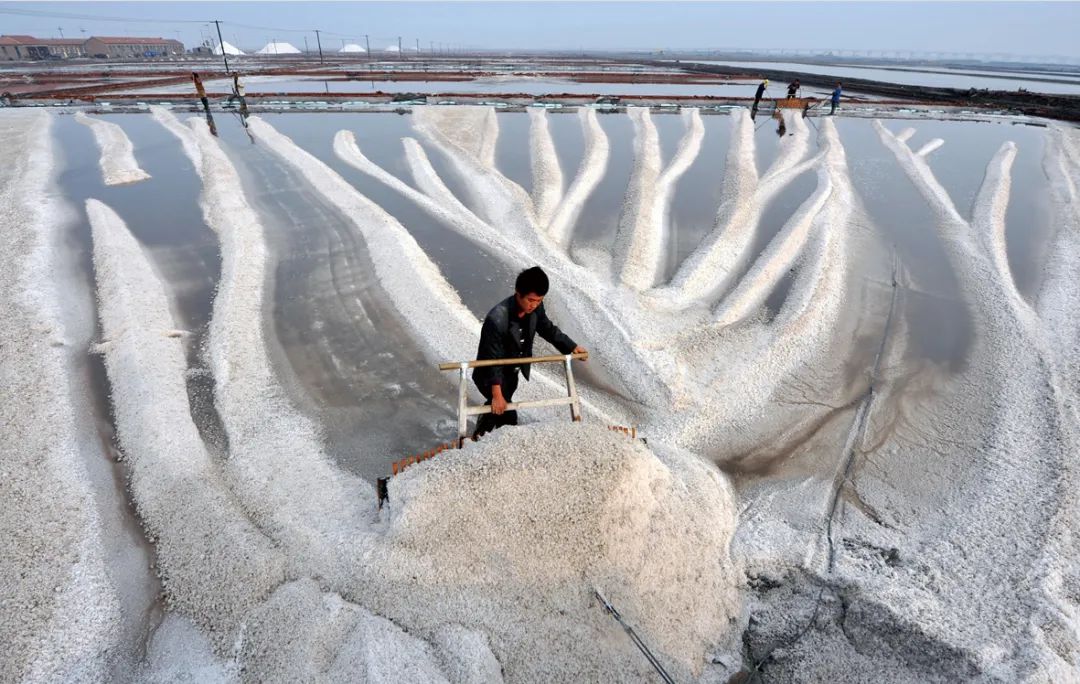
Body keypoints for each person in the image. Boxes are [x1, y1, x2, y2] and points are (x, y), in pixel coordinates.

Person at [472, 266, 586, 439]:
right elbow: (491, 359)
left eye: (539, 301)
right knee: (505, 411)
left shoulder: (536, 308)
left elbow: (547, 329)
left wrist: (571, 346)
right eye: (531, 300)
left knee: (501, 407)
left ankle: (480, 438)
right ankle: (489, 441)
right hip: (490, 375)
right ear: (518, 293)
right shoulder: (497, 319)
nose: (534, 305)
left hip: (512, 371)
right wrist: (496, 394)